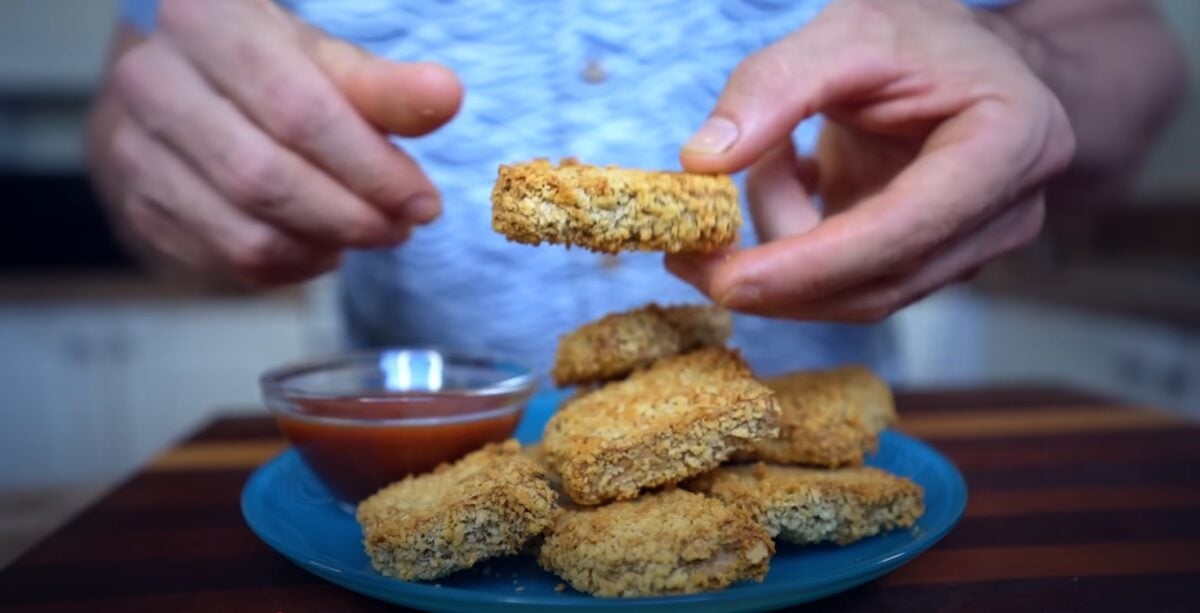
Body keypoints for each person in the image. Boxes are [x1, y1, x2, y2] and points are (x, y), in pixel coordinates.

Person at [88, 0, 1184, 378]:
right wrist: (163, 162)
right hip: (391, 499)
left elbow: (1127, 47)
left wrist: (1026, 75)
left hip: (821, 528)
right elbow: (141, 92)